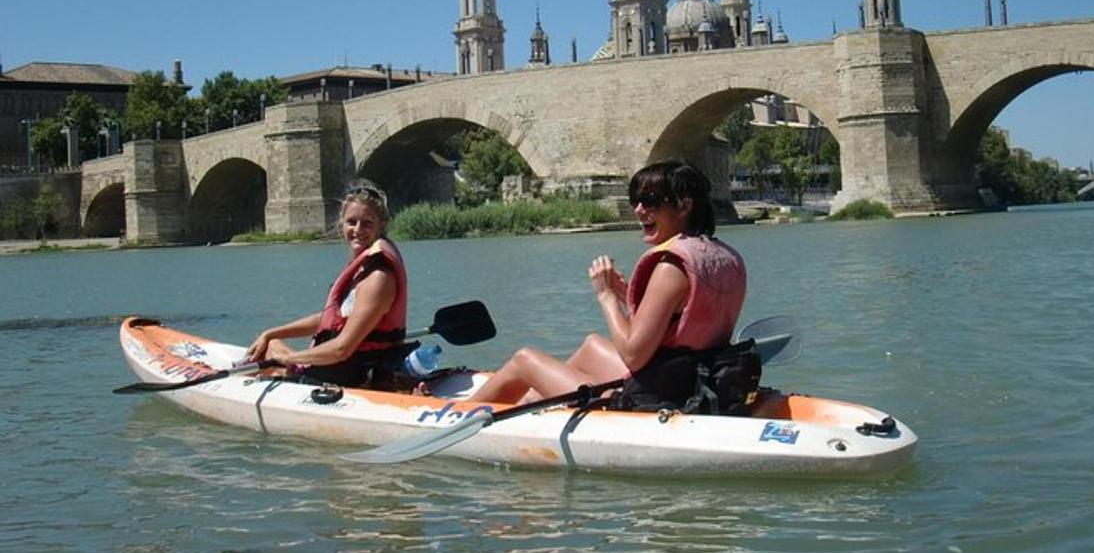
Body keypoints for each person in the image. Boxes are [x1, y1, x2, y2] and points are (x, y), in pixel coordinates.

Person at [470, 160, 747, 407]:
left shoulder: (670, 267)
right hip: (695, 380)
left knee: (524, 359)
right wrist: (628, 296)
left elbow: (633, 356)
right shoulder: (725, 256)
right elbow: (686, 325)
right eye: (635, 200)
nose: (639, 210)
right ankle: (536, 403)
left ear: (684, 205)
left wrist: (606, 297)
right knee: (592, 345)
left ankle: (455, 415)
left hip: (658, 398)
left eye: (650, 201)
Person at [245, 181, 409, 387]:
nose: (358, 230)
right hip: (340, 367)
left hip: (352, 375)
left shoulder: (378, 278)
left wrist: (290, 359)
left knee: (271, 354)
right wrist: (272, 332)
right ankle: (285, 369)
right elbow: (332, 319)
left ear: (381, 225)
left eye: (367, 223)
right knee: (269, 342)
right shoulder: (362, 268)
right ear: (342, 224)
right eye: (352, 222)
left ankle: (281, 373)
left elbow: (342, 348)